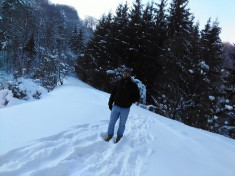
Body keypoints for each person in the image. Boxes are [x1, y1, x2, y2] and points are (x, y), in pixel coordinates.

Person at [105, 68, 140, 143]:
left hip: (125, 109)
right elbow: (113, 93)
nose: (125, 74)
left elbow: (137, 97)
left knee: (122, 124)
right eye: (124, 73)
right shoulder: (118, 82)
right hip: (116, 106)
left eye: (127, 73)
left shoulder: (133, 85)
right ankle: (109, 135)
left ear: (129, 74)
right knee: (111, 123)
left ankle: (119, 137)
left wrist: (130, 100)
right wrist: (110, 103)